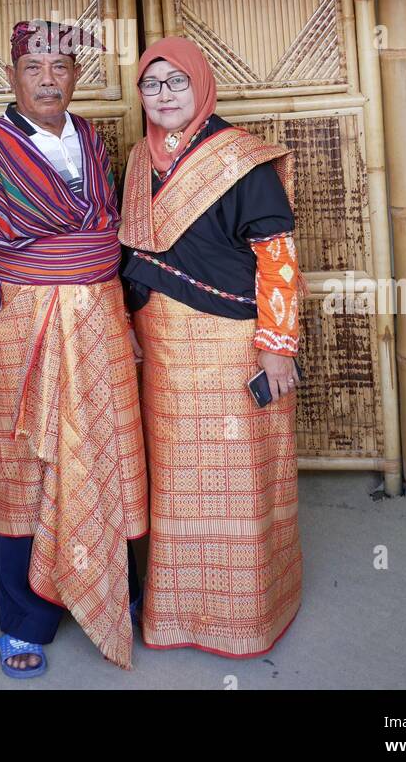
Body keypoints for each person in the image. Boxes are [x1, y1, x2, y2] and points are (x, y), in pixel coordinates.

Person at [0, 20, 147, 677]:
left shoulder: (91, 138)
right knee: (27, 460)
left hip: (100, 316)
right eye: (34, 68)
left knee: (107, 446)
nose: (48, 79)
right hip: (23, 322)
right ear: (12, 77)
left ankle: (118, 589)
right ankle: (26, 619)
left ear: (76, 77)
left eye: (60, 67)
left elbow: (112, 232)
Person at [119, 35, 306, 658]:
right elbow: (132, 254)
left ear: (201, 85)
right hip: (163, 348)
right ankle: (176, 612)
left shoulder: (240, 159)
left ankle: (246, 615)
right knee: (175, 480)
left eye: (178, 82)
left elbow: (276, 258)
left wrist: (277, 347)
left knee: (239, 479)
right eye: (153, 83)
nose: (165, 95)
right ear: (140, 92)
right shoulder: (136, 162)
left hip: (233, 346)